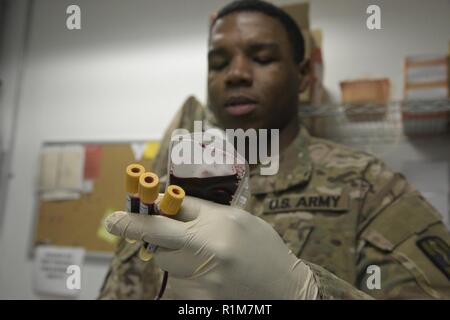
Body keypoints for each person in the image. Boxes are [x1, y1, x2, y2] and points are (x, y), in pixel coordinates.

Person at [98, 0, 450, 299]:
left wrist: (305, 291)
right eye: (219, 64)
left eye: (262, 58)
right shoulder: (167, 189)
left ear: (303, 76)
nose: (235, 74)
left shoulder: (370, 188)